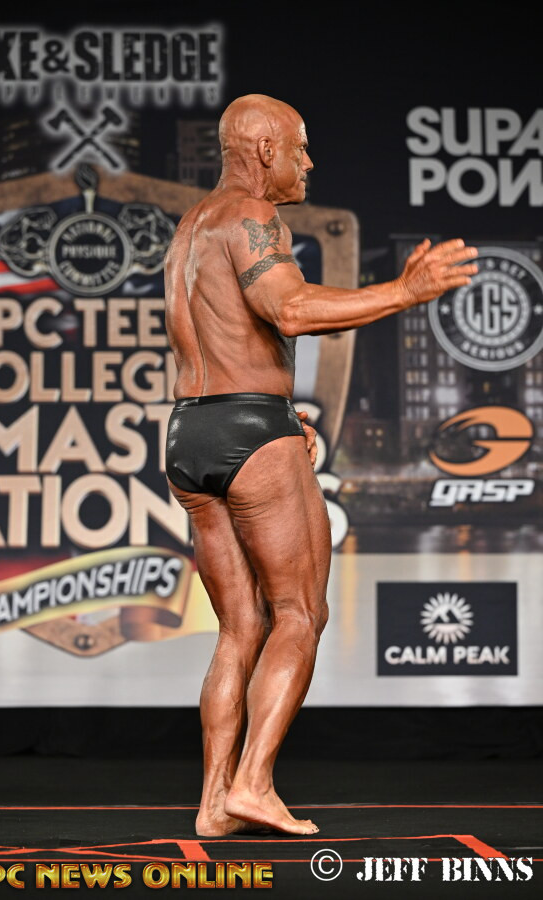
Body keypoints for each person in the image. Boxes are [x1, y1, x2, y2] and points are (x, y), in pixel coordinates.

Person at [163, 93, 478, 836]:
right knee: (301, 614)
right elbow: (292, 310)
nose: (309, 162)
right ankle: (253, 783)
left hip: (190, 433)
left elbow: (225, 332)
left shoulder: (191, 227)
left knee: (239, 627)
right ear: (264, 149)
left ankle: (213, 803)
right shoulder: (252, 214)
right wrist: (406, 291)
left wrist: (270, 413)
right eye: (300, 147)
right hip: (250, 433)